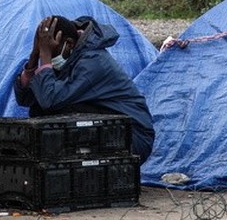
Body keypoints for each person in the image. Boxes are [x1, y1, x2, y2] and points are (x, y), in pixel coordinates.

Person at [13, 14, 156, 162]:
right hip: (109, 128)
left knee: (55, 107)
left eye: (48, 51)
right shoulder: (70, 57)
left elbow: (50, 100)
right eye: (43, 50)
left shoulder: (93, 61)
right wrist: (34, 57)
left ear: (69, 44)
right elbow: (25, 99)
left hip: (132, 135)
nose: (46, 57)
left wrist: (45, 57)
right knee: (39, 109)